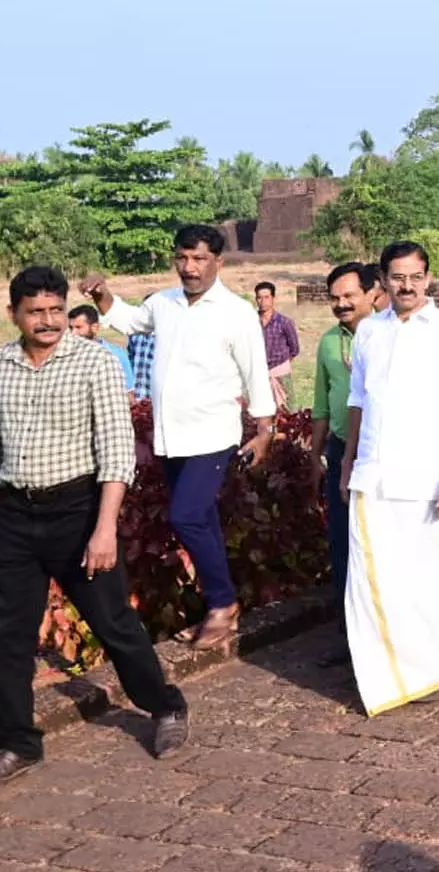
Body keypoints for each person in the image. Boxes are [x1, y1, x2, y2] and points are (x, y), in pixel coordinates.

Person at [0, 266, 188, 792]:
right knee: (7, 637)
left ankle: (165, 706)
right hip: (15, 515)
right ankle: (18, 744)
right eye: (35, 312)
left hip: (78, 513)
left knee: (113, 624)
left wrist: (104, 529)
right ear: (13, 314)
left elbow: (116, 452)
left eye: (55, 310)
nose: (47, 321)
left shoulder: (94, 362)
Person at [83, 225, 276, 649]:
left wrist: (264, 429)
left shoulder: (236, 312)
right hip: (171, 435)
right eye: (183, 258)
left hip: (213, 434)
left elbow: (255, 373)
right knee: (201, 518)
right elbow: (132, 320)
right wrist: (102, 296)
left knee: (186, 516)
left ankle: (223, 604)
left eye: (199, 258)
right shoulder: (164, 303)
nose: (189, 267)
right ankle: (219, 609)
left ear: (218, 262)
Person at [339, 241, 439, 715]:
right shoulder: (369, 332)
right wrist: (348, 461)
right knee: (372, 578)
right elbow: (358, 400)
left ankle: (430, 670)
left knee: (427, 578)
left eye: (416, 277)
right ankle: (383, 675)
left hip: (428, 477)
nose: (407, 286)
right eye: (397, 277)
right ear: (383, 280)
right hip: (372, 475)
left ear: (429, 278)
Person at [309, 261, 383, 668]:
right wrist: (315, 456)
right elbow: (322, 404)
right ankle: (351, 637)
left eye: (349, 296)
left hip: (381, 453)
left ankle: (384, 637)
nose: (341, 304)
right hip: (341, 451)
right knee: (343, 545)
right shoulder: (328, 343)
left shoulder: (389, 335)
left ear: (373, 293)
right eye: (334, 298)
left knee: (379, 547)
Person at [255, 281, 300, 408]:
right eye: (259, 297)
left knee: (287, 409)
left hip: (280, 371)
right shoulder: (251, 322)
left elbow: (294, 349)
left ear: (273, 298)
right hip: (257, 372)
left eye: (266, 297)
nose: (262, 301)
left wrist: (281, 365)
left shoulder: (284, 322)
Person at [66, 305, 133, 385]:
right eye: (71, 328)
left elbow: (129, 389)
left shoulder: (116, 355)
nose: (73, 333)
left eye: (78, 327)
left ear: (95, 328)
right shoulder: (67, 354)